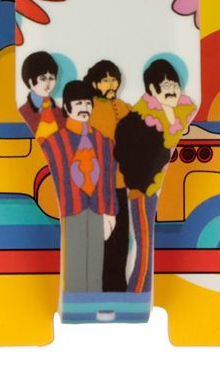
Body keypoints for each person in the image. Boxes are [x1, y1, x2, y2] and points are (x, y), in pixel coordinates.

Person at [115, 59, 196, 293]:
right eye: (166, 85)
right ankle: (138, 291)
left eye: (175, 85)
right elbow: (127, 154)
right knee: (145, 242)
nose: (172, 90)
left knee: (150, 241)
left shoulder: (184, 112)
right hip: (144, 189)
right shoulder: (139, 119)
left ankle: (139, 290)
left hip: (166, 188)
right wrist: (136, 184)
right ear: (152, 88)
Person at [41, 81, 117, 293]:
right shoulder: (54, 143)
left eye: (87, 103)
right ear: (67, 107)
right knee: (74, 260)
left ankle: (92, 301)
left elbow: (109, 179)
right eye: (78, 103)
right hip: (69, 209)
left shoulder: (104, 142)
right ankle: (74, 302)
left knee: (95, 260)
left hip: (98, 208)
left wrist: (110, 213)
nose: (84, 107)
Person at [83, 60, 132, 292]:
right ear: (94, 83)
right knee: (99, 237)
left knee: (120, 238)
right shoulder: (88, 107)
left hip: (120, 183)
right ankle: (96, 285)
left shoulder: (124, 107)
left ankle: (117, 286)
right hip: (95, 185)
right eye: (105, 80)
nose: (111, 84)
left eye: (114, 79)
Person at [19, 51, 63, 142]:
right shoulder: (21, 114)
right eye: (43, 78)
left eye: (51, 78)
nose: (48, 84)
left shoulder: (61, 113)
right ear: (30, 81)